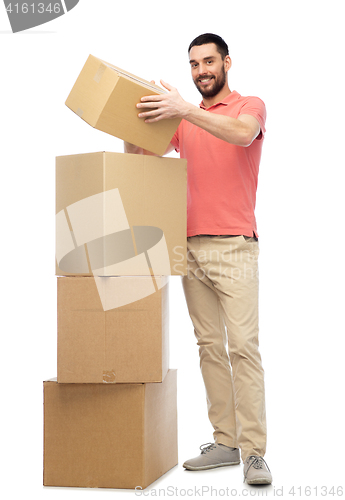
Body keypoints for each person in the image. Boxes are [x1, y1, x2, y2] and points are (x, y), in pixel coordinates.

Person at [124, 33, 272, 485]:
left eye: (208, 61)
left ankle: (255, 453)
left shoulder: (250, 107)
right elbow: (139, 158)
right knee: (209, 347)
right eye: (193, 64)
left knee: (243, 347)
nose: (201, 70)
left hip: (236, 246)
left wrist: (183, 108)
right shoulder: (181, 121)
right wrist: (132, 119)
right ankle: (226, 441)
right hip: (187, 245)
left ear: (227, 62)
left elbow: (244, 136)